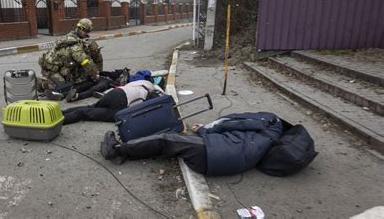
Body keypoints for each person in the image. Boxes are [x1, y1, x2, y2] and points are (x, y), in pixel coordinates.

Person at [100, 112, 284, 175]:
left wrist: (204, 129)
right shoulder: (270, 135)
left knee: (166, 139)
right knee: (172, 145)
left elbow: (232, 122)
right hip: (223, 159)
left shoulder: (269, 120)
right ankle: (127, 154)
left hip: (215, 153)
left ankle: (116, 150)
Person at [38, 18, 102, 100]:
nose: (87, 33)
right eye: (86, 31)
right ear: (80, 28)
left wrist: (98, 71)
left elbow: (95, 56)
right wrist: (96, 74)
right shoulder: (73, 44)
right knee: (62, 87)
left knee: (75, 82)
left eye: (89, 31)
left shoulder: (81, 39)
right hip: (50, 68)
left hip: (62, 67)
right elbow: (85, 61)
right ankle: (40, 84)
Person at [62, 79, 164, 124]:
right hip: (121, 104)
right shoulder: (147, 97)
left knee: (91, 107)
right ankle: (60, 121)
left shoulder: (140, 84)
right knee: (87, 113)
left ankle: (63, 112)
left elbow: (122, 86)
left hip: (116, 92)